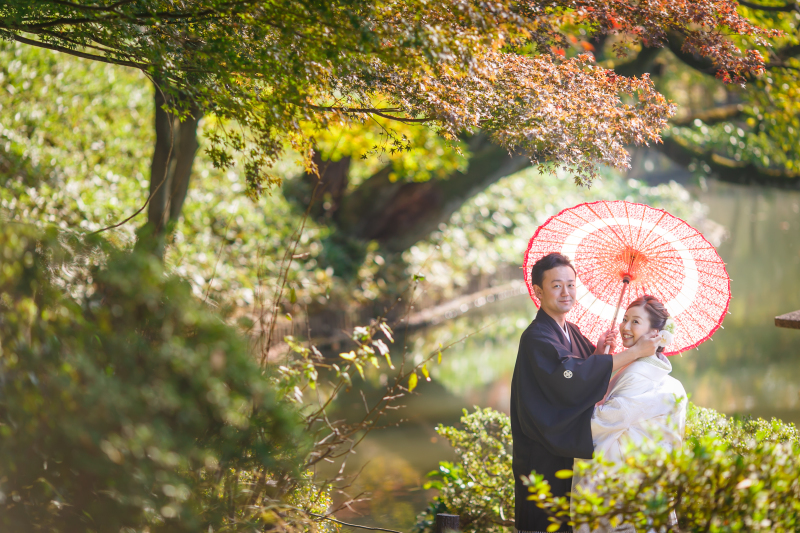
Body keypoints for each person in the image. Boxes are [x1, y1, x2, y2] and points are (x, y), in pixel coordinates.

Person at [511, 253, 660, 533]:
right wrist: (633, 353)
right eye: (556, 286)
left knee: (570, 519)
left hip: (566, 449)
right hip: (542, 453)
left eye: (570, 284)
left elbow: (582, 373)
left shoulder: (571, 330)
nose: (566, 292)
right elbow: (570, 377)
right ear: (539, 291)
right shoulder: (536, 337)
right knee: (545, 521)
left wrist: (598, 353)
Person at [573, 295, 688, 533]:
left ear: (655, 333)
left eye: (635, 322)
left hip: (625, 484)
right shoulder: (656, 374)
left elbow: (599, 422)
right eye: (625, 319)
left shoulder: (638, 374)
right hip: (648, 482)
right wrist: (602, 359)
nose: (625, 326)